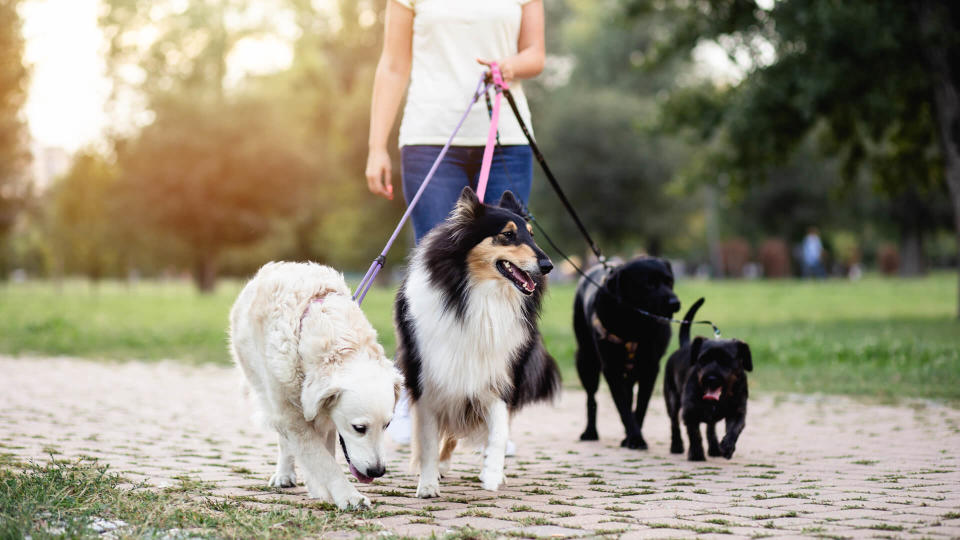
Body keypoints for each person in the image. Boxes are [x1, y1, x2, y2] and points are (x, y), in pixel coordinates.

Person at [365, 0, 545, 449]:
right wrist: (375, 147)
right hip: (430, 137)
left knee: (510, 273)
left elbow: (535, 54)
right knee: (433, 270)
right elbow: (392, 65)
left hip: (507, 137)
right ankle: (418, 397)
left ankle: (492, 408)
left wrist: (508, 66)